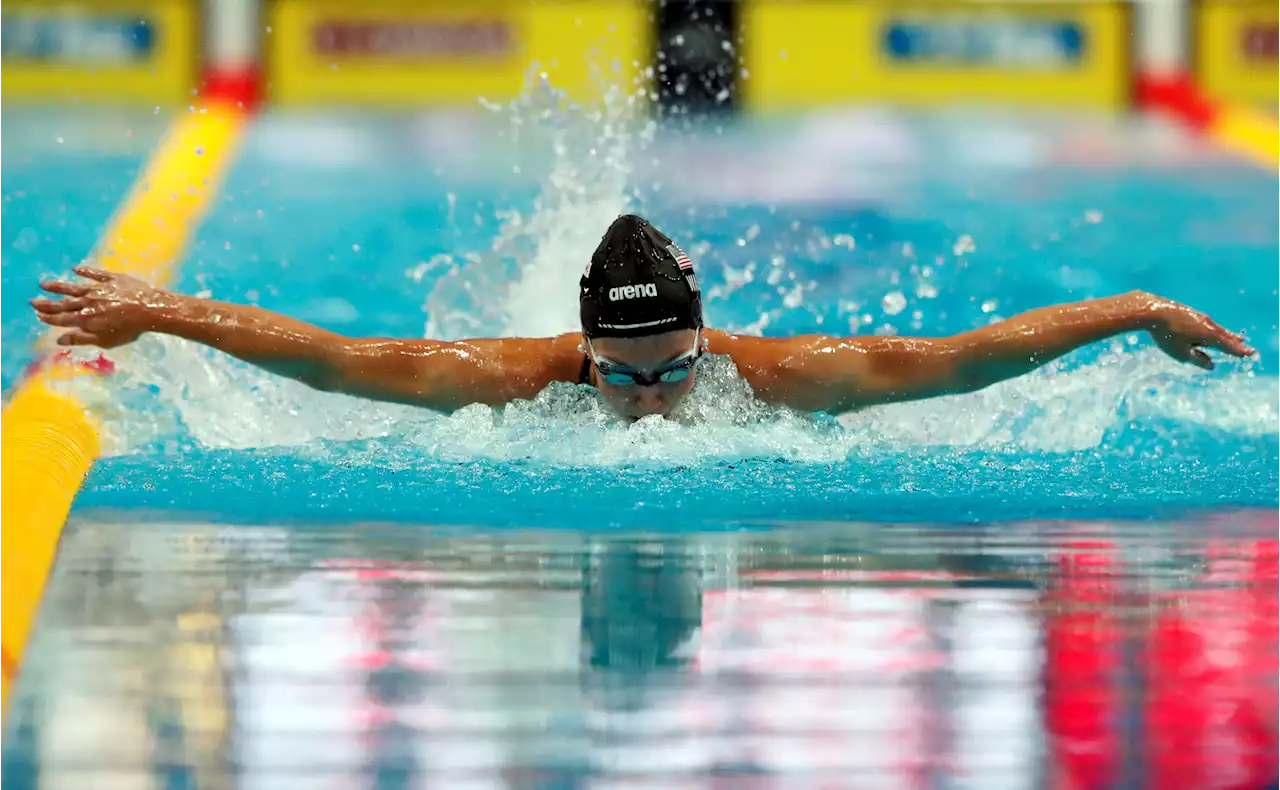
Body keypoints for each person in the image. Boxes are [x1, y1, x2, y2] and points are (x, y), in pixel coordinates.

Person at [30, 214, 1254, 422]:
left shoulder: (782, 377)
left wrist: (1137, 308)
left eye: (670, 374)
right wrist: (161, 310)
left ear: (704, 338)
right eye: (622, 384)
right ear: (585, 359)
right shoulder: (522, 377)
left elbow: (954, 363)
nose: (655, 405)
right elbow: (343, 359)